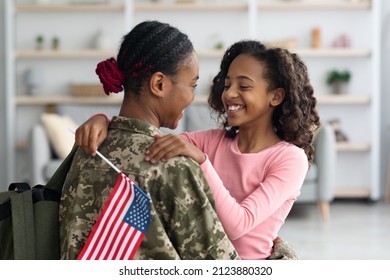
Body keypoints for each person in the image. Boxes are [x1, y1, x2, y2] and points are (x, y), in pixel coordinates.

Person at [75, 40, 320, 260]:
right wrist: (106, 123)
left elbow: (239, 224)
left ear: (276, 97)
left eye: (243, 86)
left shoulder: (290, 158)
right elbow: (147, 142)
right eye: (227, 84)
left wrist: (203, 161)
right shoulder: (211, 141)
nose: (230, 93)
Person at [59, 20, 240, 260]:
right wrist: (281, 254)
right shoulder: (173, 165)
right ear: (159, 84)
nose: (192, 96)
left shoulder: (85, 150)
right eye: (192, 85)